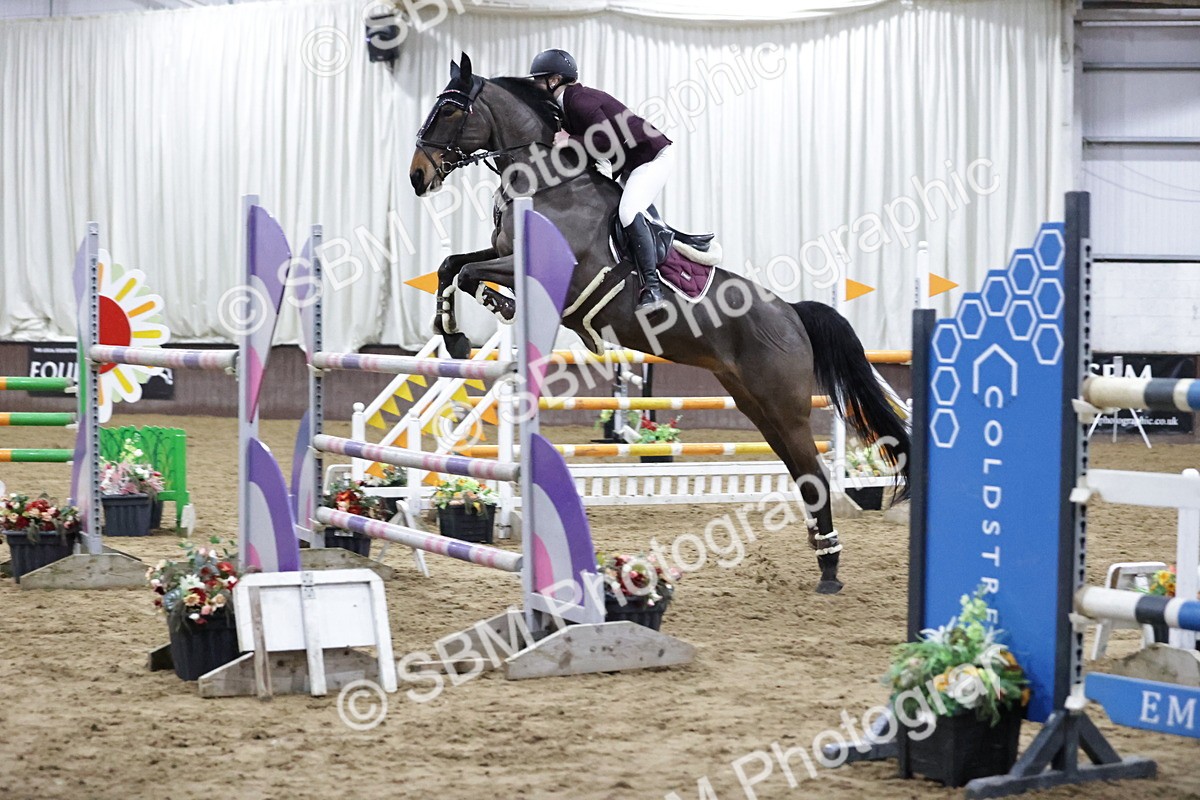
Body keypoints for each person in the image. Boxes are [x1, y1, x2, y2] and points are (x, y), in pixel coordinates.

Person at [529, 48, 673, 313]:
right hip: (630, 162)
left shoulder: (580, 100)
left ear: (554, 80)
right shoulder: (566, 105)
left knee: (628, 212)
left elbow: (608, 141)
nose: (535, 87)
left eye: (538, 80)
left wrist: (570, 140)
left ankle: (653, 289)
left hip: (651, 158)